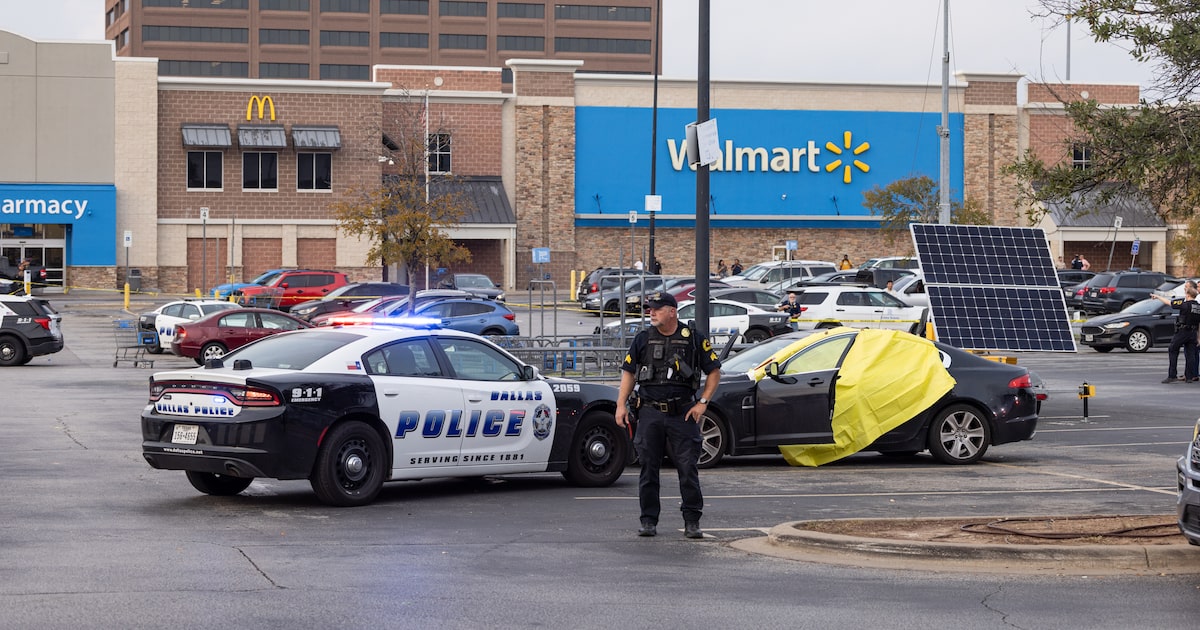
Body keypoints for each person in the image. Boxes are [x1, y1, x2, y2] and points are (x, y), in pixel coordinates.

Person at [614, 290, 721, 539]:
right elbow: (629, 373)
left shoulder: (693, 338)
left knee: (687, 468)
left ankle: (692, 521)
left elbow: (714, 371)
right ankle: (648, 520)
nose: (651, 312)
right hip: (650, 412)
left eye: (656, 308)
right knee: (648, 468)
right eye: (649, 308)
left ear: (672, 312)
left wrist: (703, 403)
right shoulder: (642, 339)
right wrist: (620, 405)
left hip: (682, 413)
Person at [1152, 284, 1200, 383]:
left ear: (1187, 295)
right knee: (1191, 355)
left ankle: (1172, 375)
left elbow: (1169, 303)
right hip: (1193, 333)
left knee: (1173, 350)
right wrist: (1198, 337)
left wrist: (1158, 297)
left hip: (1183, 332)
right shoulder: (1198, 307)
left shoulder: (1185, 304)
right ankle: (1189, 377)